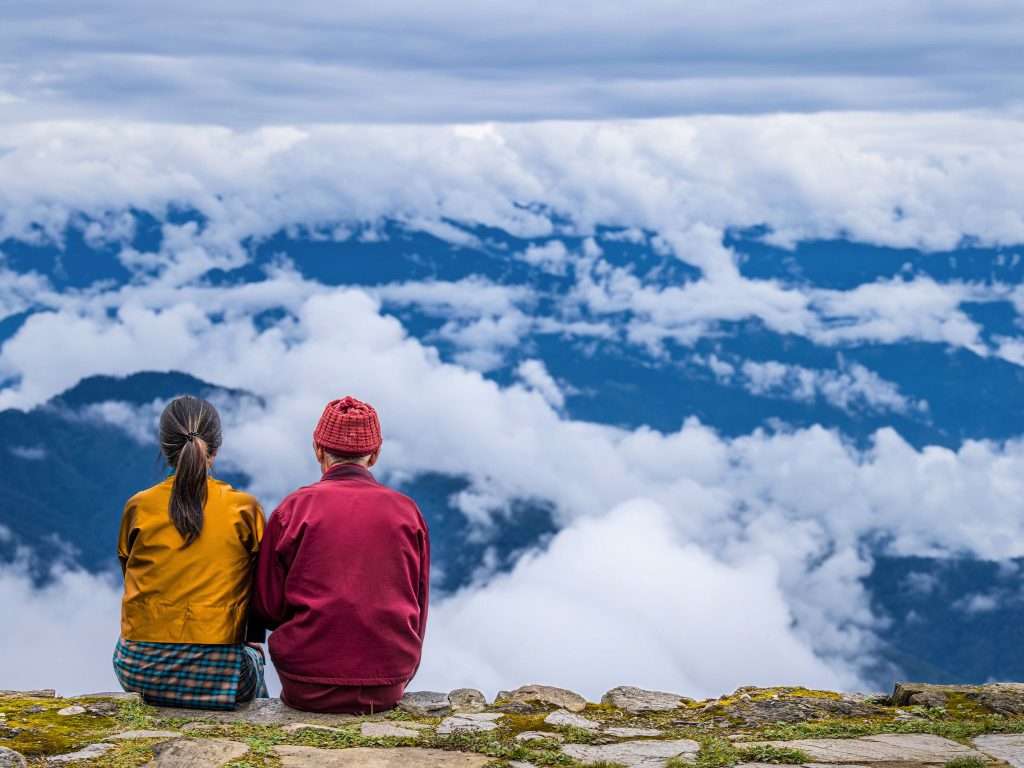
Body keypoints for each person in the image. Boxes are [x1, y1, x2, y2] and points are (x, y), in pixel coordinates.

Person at [252, 396, 430, 714]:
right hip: (387, 682)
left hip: (304, 682)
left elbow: (267, 607)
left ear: (318, 449)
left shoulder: (294, 509)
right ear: (374, 455)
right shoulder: (407, 512)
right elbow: (418, 604)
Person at [113, 395, 267, 710]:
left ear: (165, 448)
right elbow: (262, 583)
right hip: (220, 672)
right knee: (253, 661)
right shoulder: (243, 509)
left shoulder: (138, 506)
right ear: (216, 449)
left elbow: (129, 573)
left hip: (137, 668)